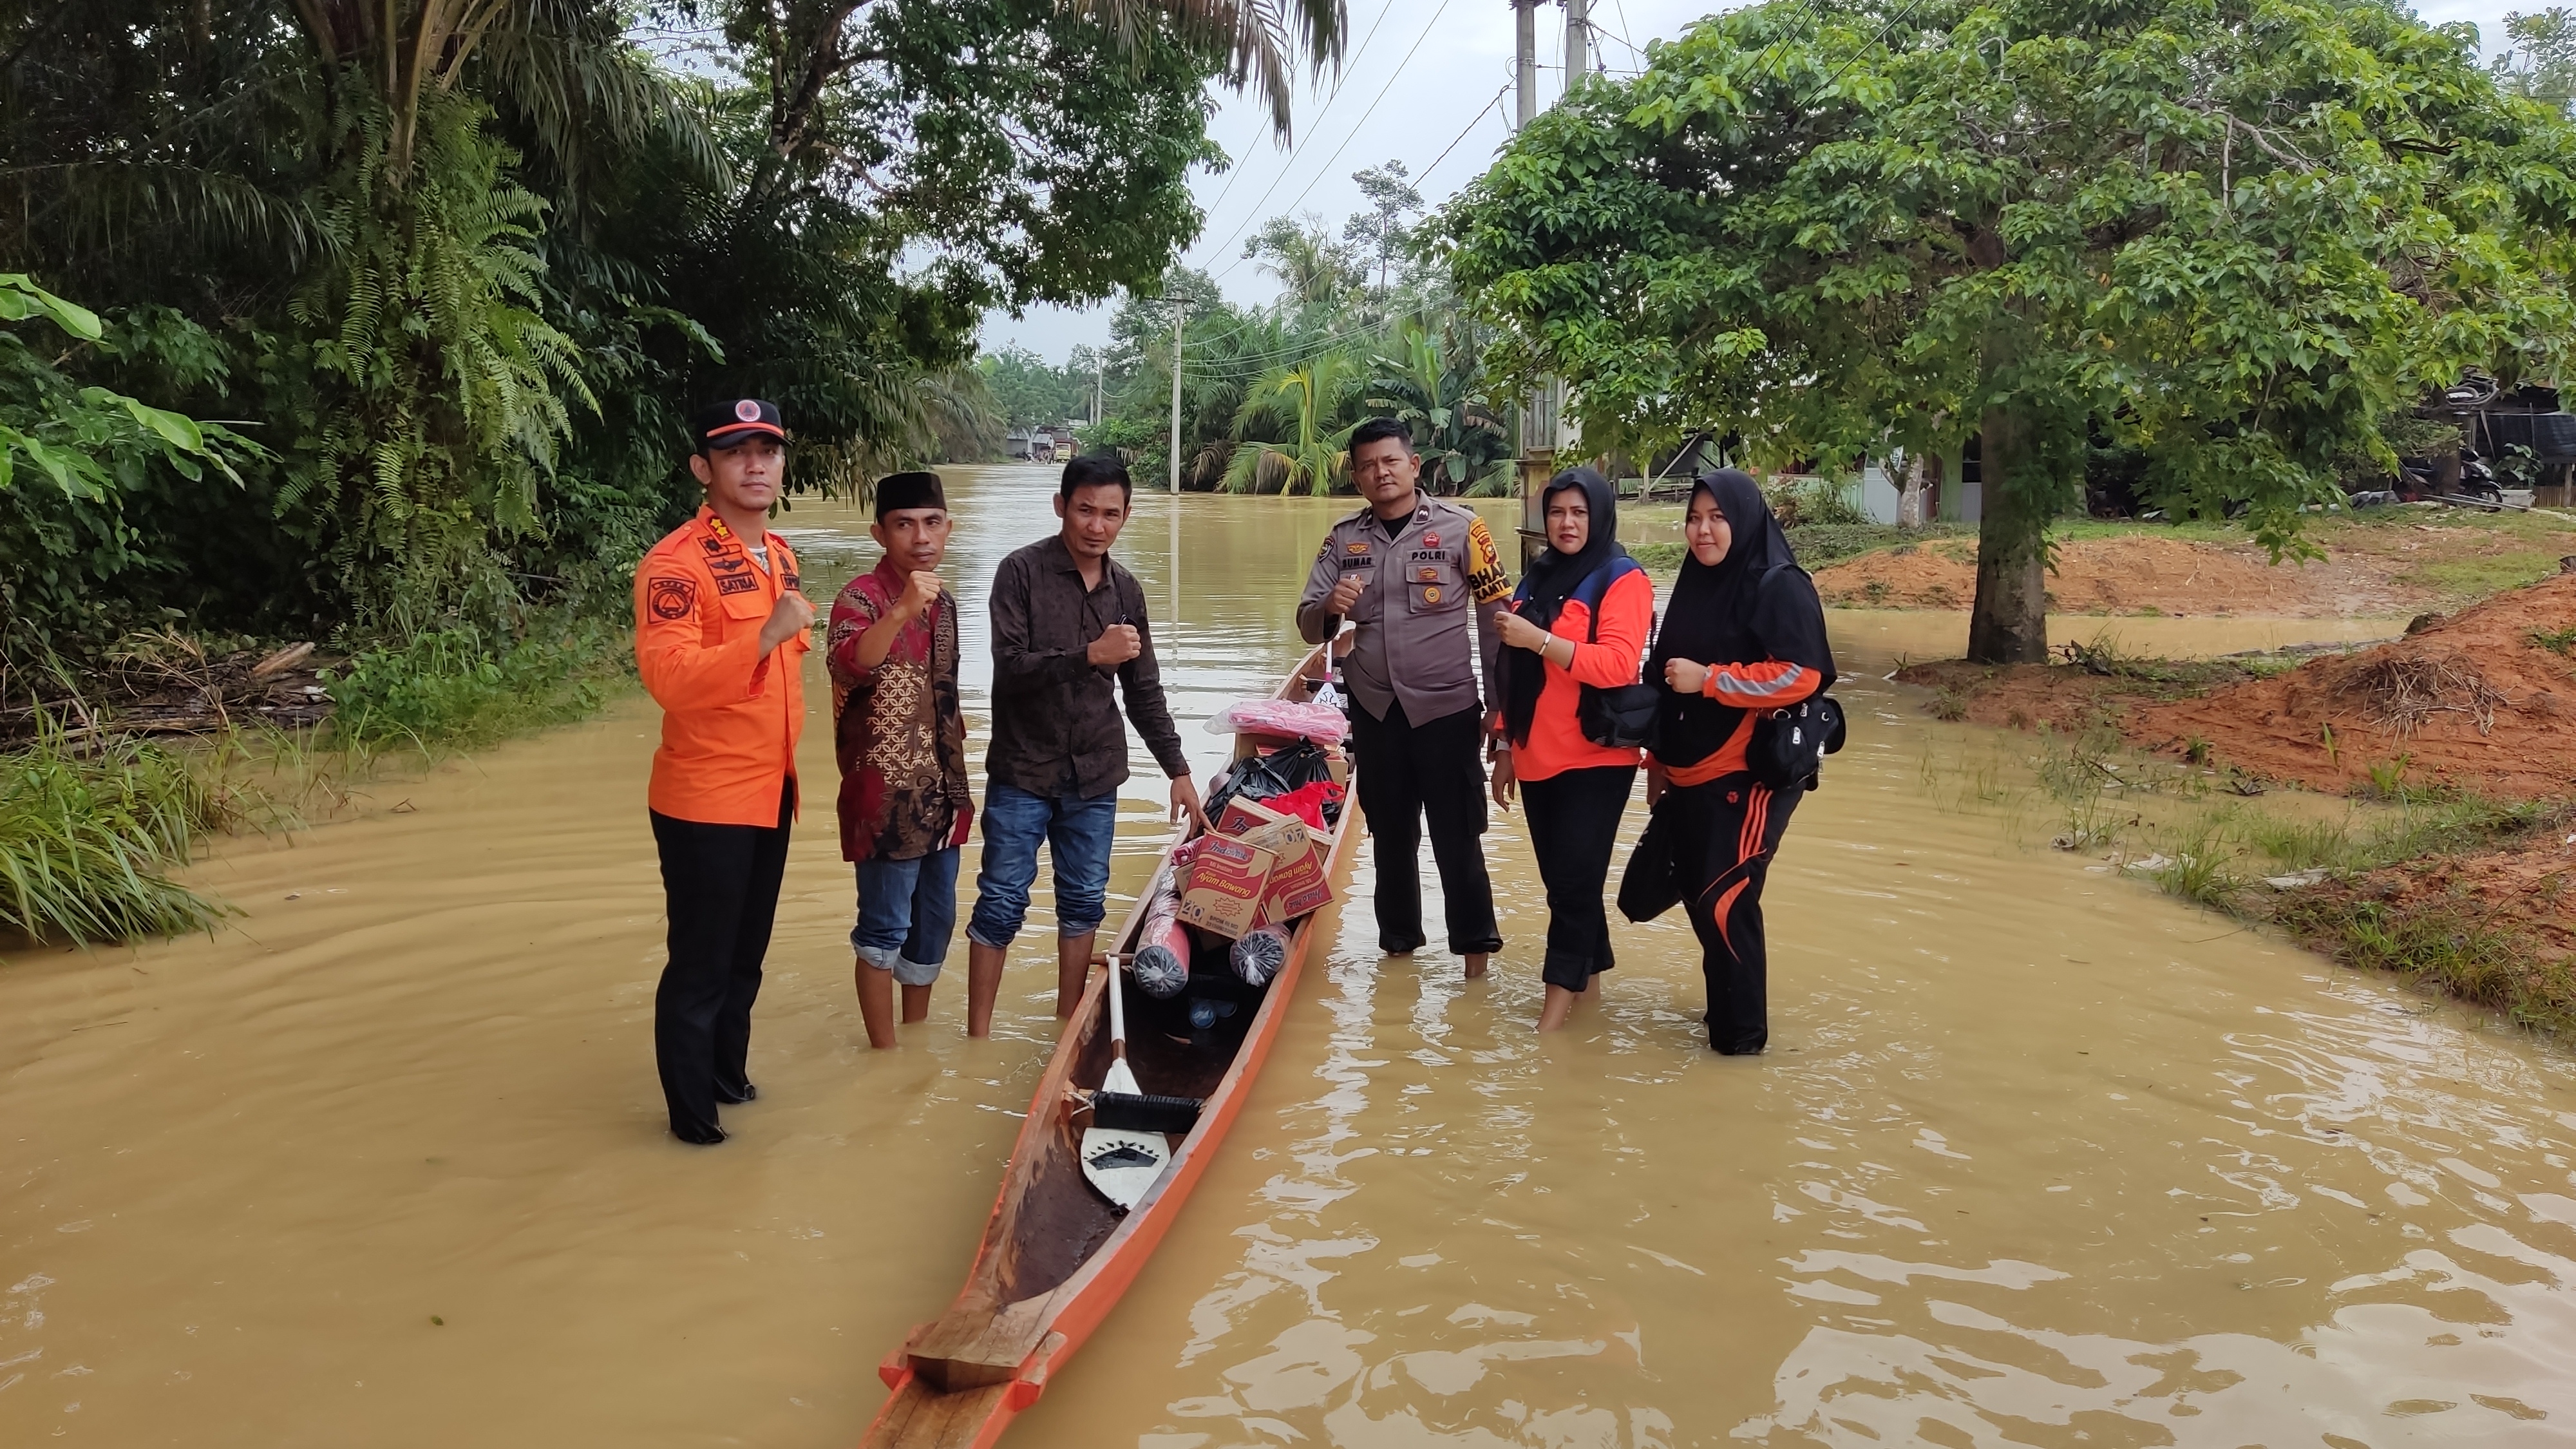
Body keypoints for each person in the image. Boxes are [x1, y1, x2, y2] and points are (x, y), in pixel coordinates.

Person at [633, 399, 814, 1144]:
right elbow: (669, 678)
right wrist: (764, 637)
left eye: (766, 451)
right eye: (736, 453)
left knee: (746, 960)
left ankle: (727, 1080)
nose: (755, 465)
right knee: (701, 967)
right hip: (705, 799)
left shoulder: (779, 553)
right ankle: (692, 1125)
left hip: (771, 791)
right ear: (703, 470)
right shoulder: (673, 564)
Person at [969, 454, 1206, 1019]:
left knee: (1082, 904)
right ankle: (977, 1034)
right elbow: (1011, 667)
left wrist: (1179, 771)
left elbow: (1143, 692)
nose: (1096, 526)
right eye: (1085, 511)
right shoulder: (1020, 573)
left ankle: (1066, 1028)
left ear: (1125, 517)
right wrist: (1089, 656)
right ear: (1061, 508)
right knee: (1001, 902)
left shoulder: (1127, 592)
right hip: (1023, 770)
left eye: (1110, 514)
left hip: (1095, 776)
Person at [1295, 418, 1514, 974]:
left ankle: (1474, 961)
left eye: (1390, 461)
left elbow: (1497, 624)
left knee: (1458, 838)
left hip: (1447, 711)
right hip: (1375, 712)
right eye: (1368, 465)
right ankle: (1398, 959)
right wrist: (1330, 609)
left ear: (1414, 465)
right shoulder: (1344, 539)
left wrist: (1500, 712)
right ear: (1356, 476)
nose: (1380, 472)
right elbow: (1305, 622)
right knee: (1390, 839)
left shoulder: (1465, 530)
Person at [1645, 469, 1835, 1056]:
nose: (1703, 531)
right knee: (1703, 900)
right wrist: (1657, 763)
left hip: (1746, 776)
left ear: (1746, 519)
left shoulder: (1777, 584)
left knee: (1727, 900)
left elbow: (1802, 674)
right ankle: (1721, 1017)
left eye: (1718, 518)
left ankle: (1741, 1047)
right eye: (1695, 518)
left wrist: (1713, 681)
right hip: (1689, 774)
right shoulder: (1697, 582)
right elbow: (1662, 680)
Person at [1492, 466, 1654, 1031]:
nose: (1566, 523)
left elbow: (1616, 665)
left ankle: (1551, 1022)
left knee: (1573, 885)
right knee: (1565, 884)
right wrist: (1507, 745)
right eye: (1557, 512)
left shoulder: (1622, 578)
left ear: (1600, 516)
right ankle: (1592, 994)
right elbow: (1510, 670)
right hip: (1537, 754)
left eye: (1579, 513)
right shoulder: (1537, 576)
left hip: (1594, 759)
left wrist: (1539, 639)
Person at [827, 471, 974, 1048]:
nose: (920, 537)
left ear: (948, 528)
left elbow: (948, 696)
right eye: (904, 525)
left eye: (932, 523)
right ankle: (884, 1056)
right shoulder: (860, 597)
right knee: (884, 928)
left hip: (943, 794)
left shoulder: (948, 603)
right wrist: (900, 611)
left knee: (934, 927)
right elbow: (849, 666)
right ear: (879, 533)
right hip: (884, 798)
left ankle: (914, 1039)